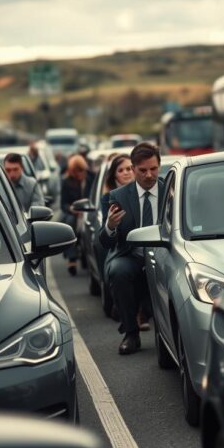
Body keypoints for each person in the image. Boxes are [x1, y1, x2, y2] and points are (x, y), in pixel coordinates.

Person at [100, 142, 163, 354]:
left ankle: (168, 333)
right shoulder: (118, 196)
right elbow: (106, 242)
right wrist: (110, 226)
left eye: (153, 169)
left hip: (164, 252)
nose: (148, 175)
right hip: (132, 254)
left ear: (159, 166)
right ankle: (131, 333)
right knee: (118, 270)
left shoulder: (170, 191)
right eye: (143, 170)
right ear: (133, 169)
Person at [61, 155, 94, 276]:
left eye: (81, 171)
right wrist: (71, 209)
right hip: (74, 213)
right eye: (76, 172)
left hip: (90, 211)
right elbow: (63, 204)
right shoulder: (66, 181)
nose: (79, 174)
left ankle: (87, 255)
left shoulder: (92, 178)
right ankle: (72, 259)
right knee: (68, 223)